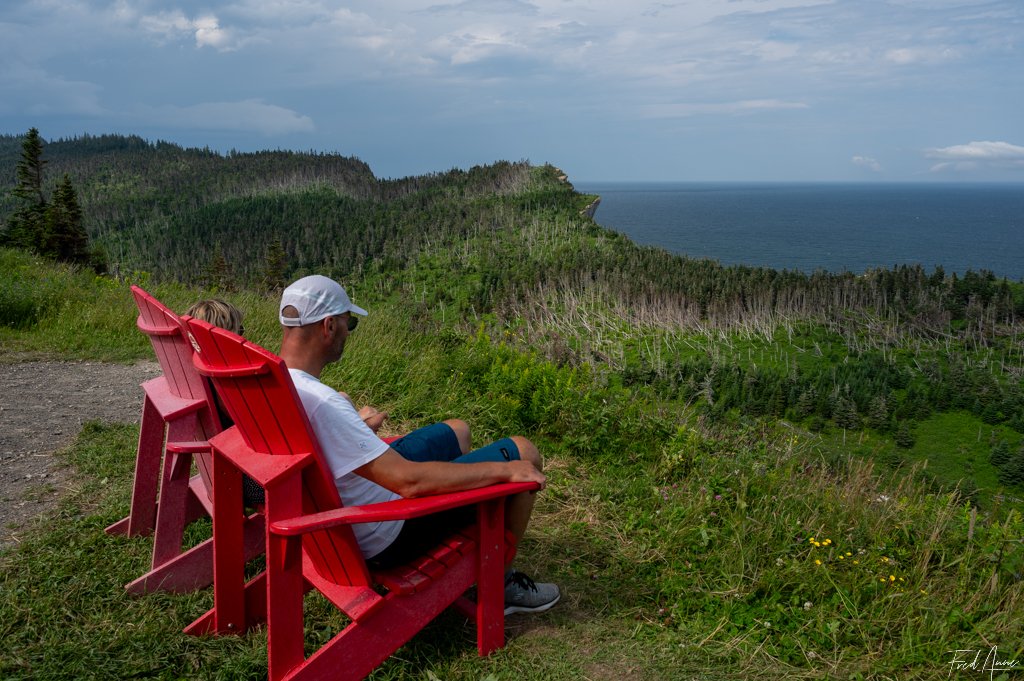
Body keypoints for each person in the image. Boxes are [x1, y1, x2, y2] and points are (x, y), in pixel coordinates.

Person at [278, 275, 559, 615]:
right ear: (328, 327)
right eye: (348, 322)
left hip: (348, 503)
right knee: (524, 451)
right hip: (386, 530)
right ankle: (500, 585)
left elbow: (325, 439)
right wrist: (504, 470)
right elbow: (409, 483)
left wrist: (355, 428)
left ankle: (471, 526)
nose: (349, 331)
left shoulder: (279, 385)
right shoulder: (324, 403)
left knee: (458, 431)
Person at [184, 298, 264, 506]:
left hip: (221, 470)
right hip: (251, 483)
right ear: (227, 337)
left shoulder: (196, 372)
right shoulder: (226, 383)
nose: (243, 337)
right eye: (240, 331)